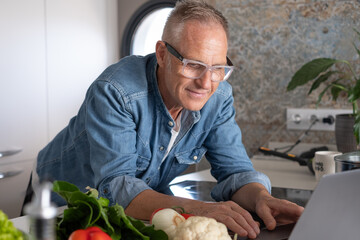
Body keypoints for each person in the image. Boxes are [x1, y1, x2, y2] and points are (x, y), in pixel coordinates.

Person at [33, 0, 303, 238]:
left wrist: (261, 198)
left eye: (218, 68)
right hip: (60, 203)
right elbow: (117, 186)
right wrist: (203, 210)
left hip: (136, 207)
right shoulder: (116, 91)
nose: (206, 83)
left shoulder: (218, 96)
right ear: (162, 54)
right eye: (193, 65)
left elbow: (236, 172)